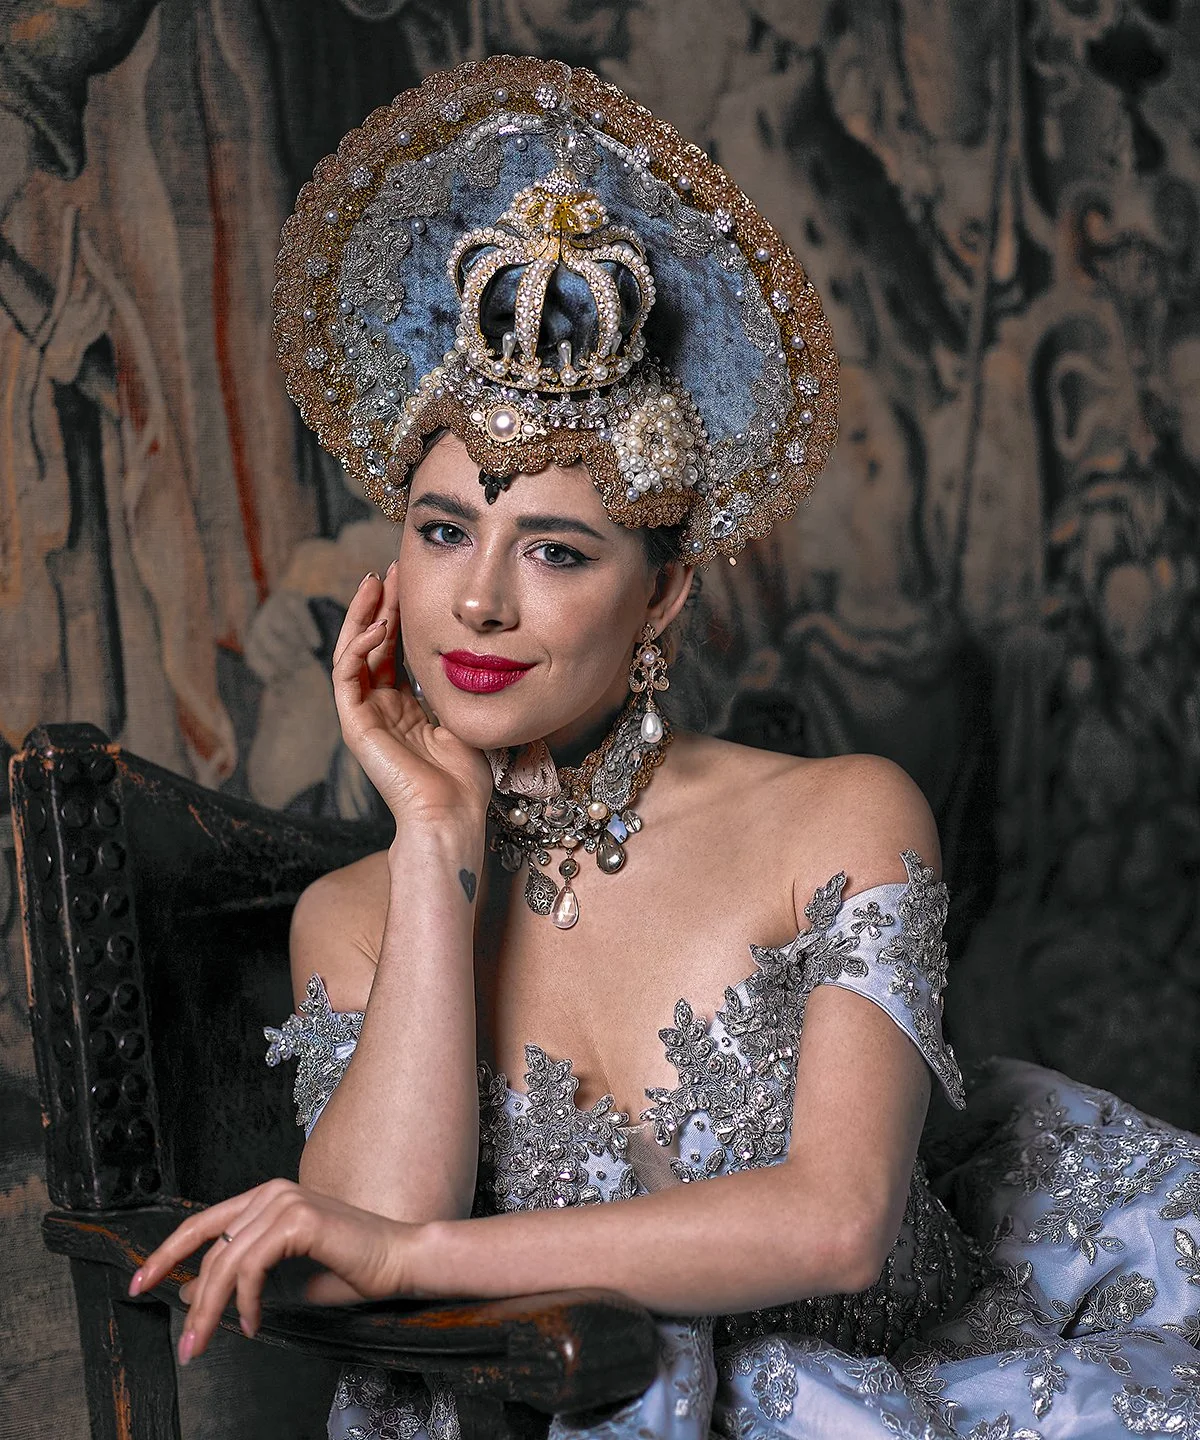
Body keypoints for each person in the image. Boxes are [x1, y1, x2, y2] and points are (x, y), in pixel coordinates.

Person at [135, 55, 1200, 1440]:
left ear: (666, 593)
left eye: (558, 550)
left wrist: (426, 1262)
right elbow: (373, 1238)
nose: (478, 601)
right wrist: (439, 843)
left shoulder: (842, 816)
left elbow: (834, 1231)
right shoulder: (360, 915)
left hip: (926, 1388)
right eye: (446, 529)